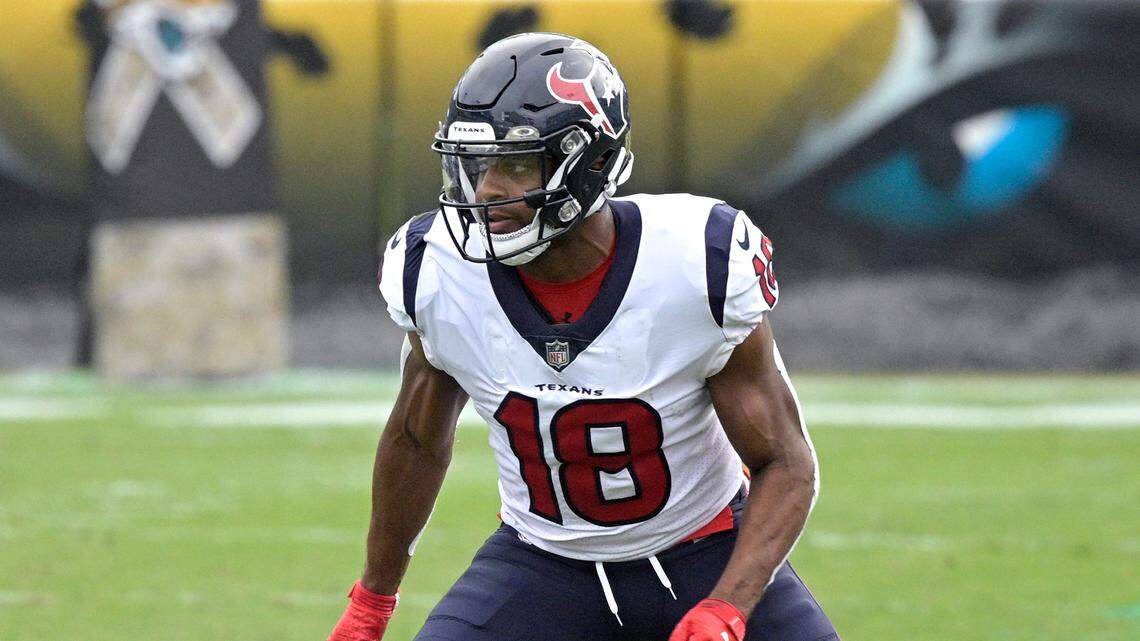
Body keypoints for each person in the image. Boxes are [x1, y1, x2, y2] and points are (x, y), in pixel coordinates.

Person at [329, 32, 838, 641]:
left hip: (705, 551)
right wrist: (371, 602)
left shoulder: (693, 263)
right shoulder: (437, 270)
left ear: (590, 160)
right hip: (542, 565)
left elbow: (784, 460)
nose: (487, 190)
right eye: (475, 166)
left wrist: (729, 607)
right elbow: (415, 441)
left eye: (515, 165)